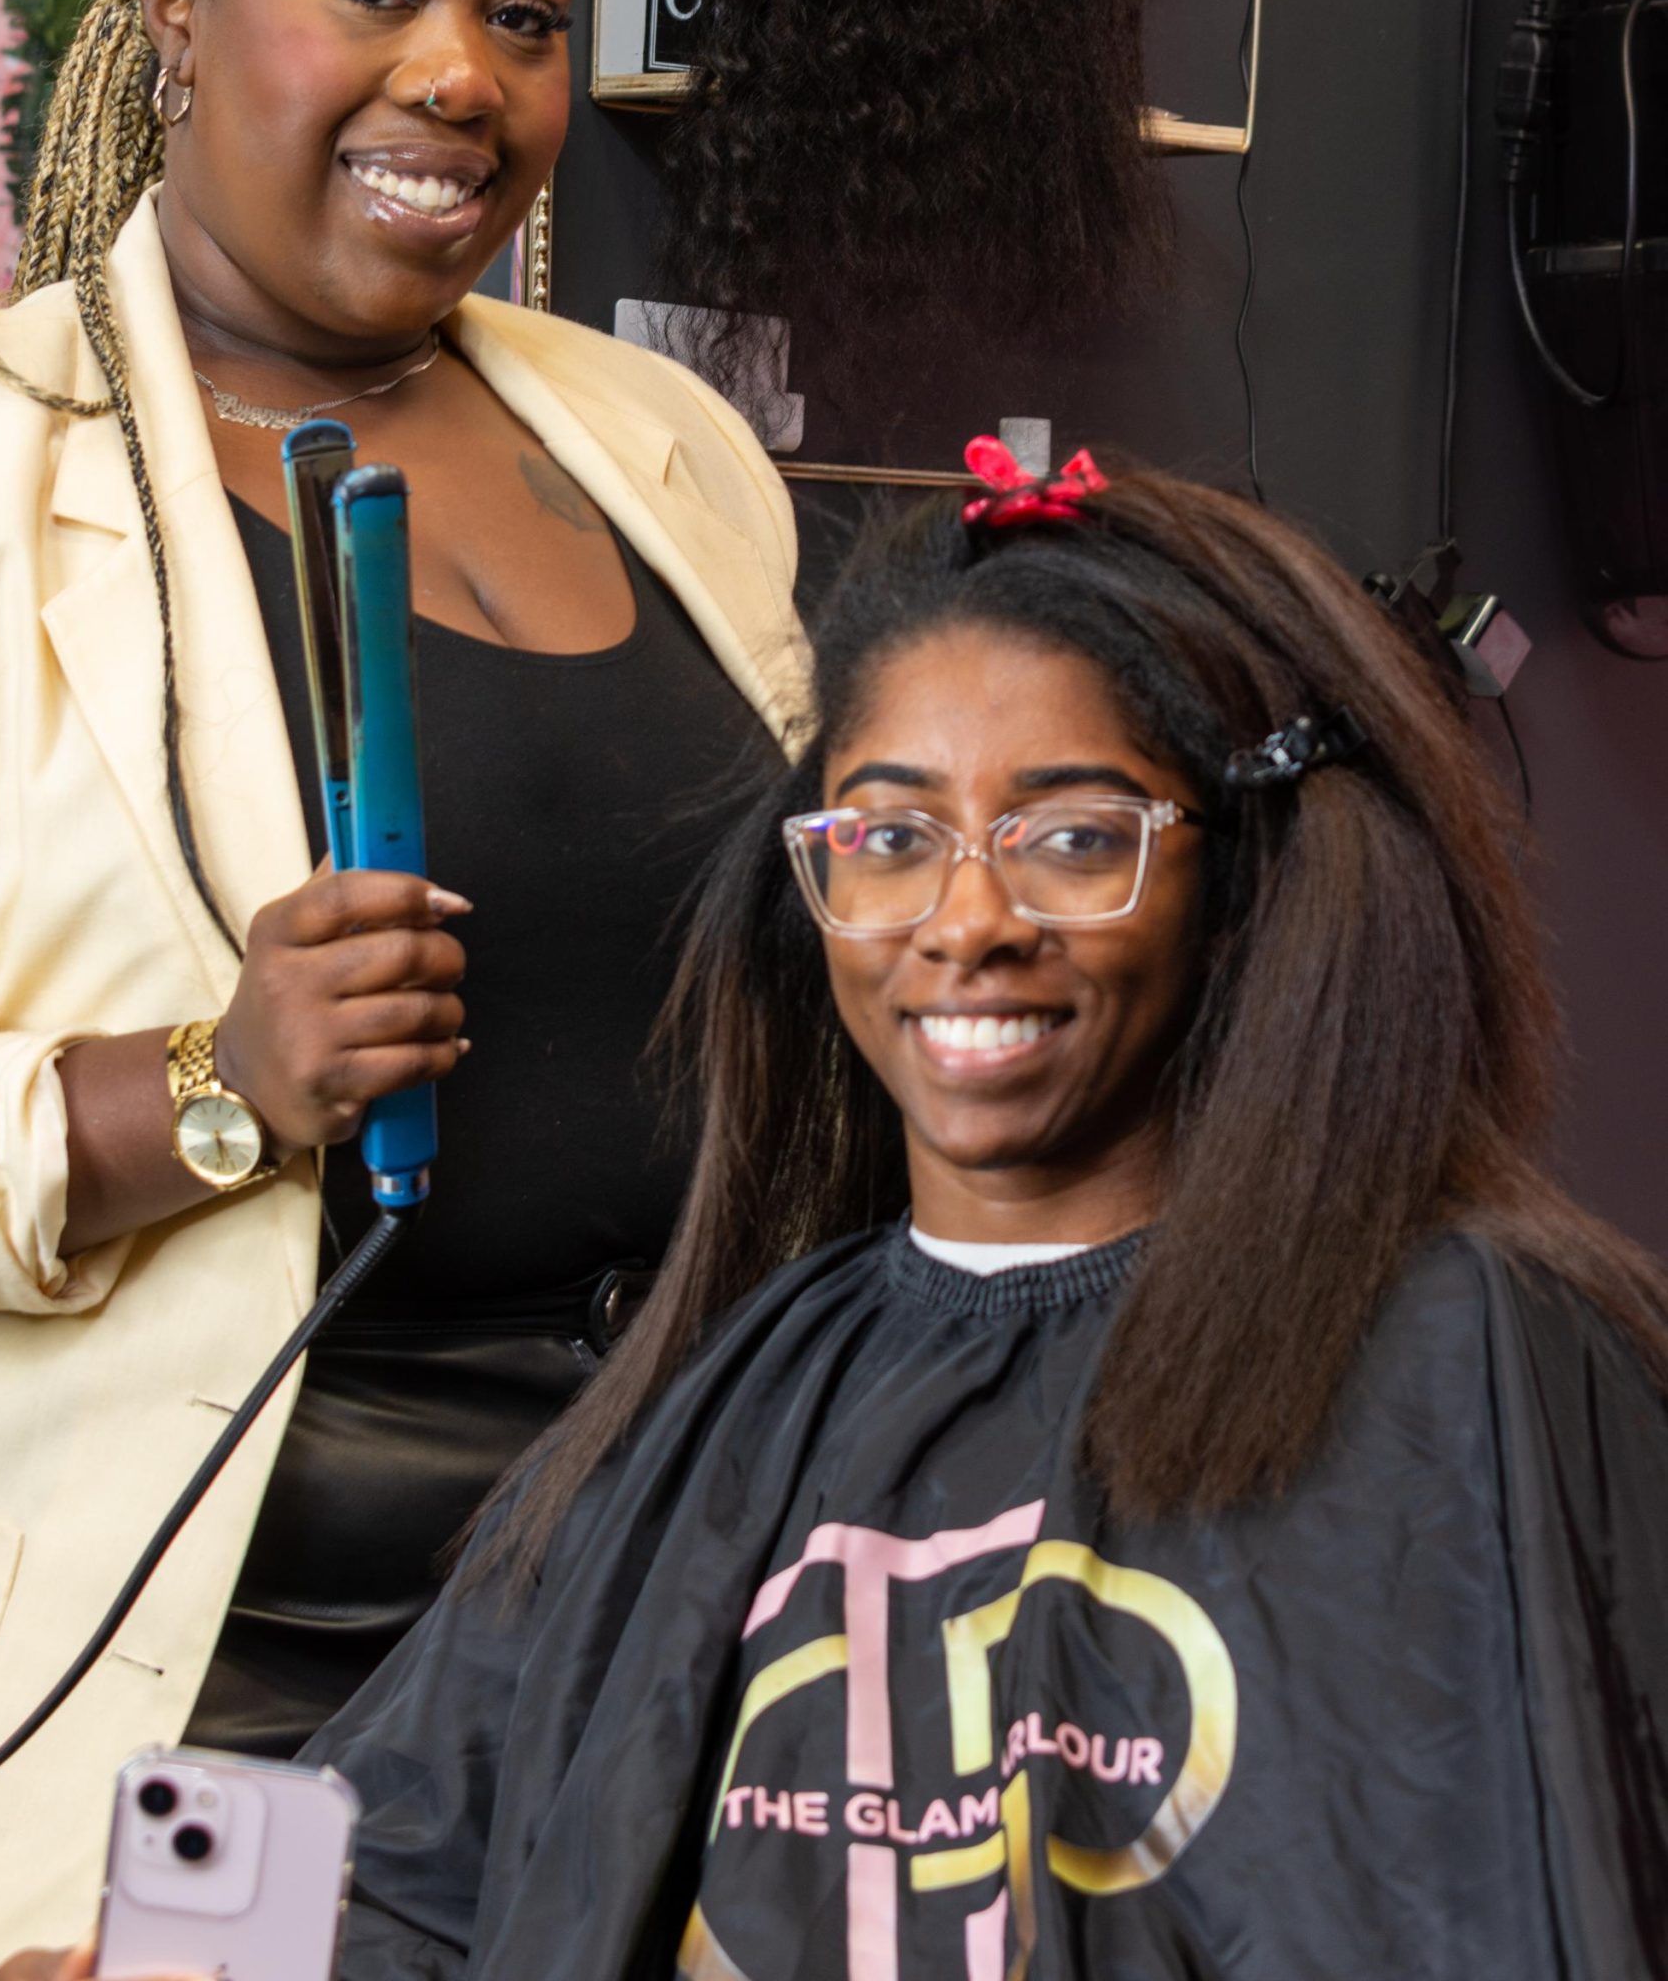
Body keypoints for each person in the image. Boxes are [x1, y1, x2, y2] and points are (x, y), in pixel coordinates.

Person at [310, 446, 1661, 1974]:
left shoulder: (1468, 1350)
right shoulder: (735, 1390)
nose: (966, 924)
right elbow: (392, 1878)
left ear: (1243, 886)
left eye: (1074, 838)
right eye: (891, 839)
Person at [0, 0, 804, 1963]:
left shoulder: (670, 448)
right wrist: (205, 1087)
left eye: (522, 18)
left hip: (676, 1588)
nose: (460, 76)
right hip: (236, 1642)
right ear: (173, 10)